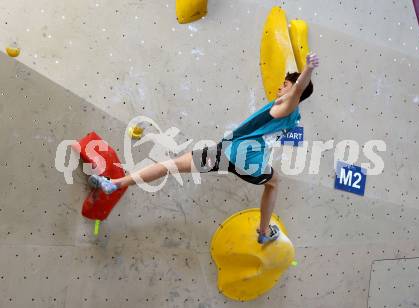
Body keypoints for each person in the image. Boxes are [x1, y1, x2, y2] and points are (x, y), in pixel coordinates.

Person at [89, 53, 320, 244]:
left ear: (294, 93)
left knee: (172, 165)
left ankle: (114, 184)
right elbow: (297, 91)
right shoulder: (286, 109)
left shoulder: (287, 107)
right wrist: (304, 72)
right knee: (274, 183)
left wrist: (307, 72)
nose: (281, 87)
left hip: (225, 152)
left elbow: (298, 90)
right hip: (246, 162)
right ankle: (263, 232)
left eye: (285, 85)